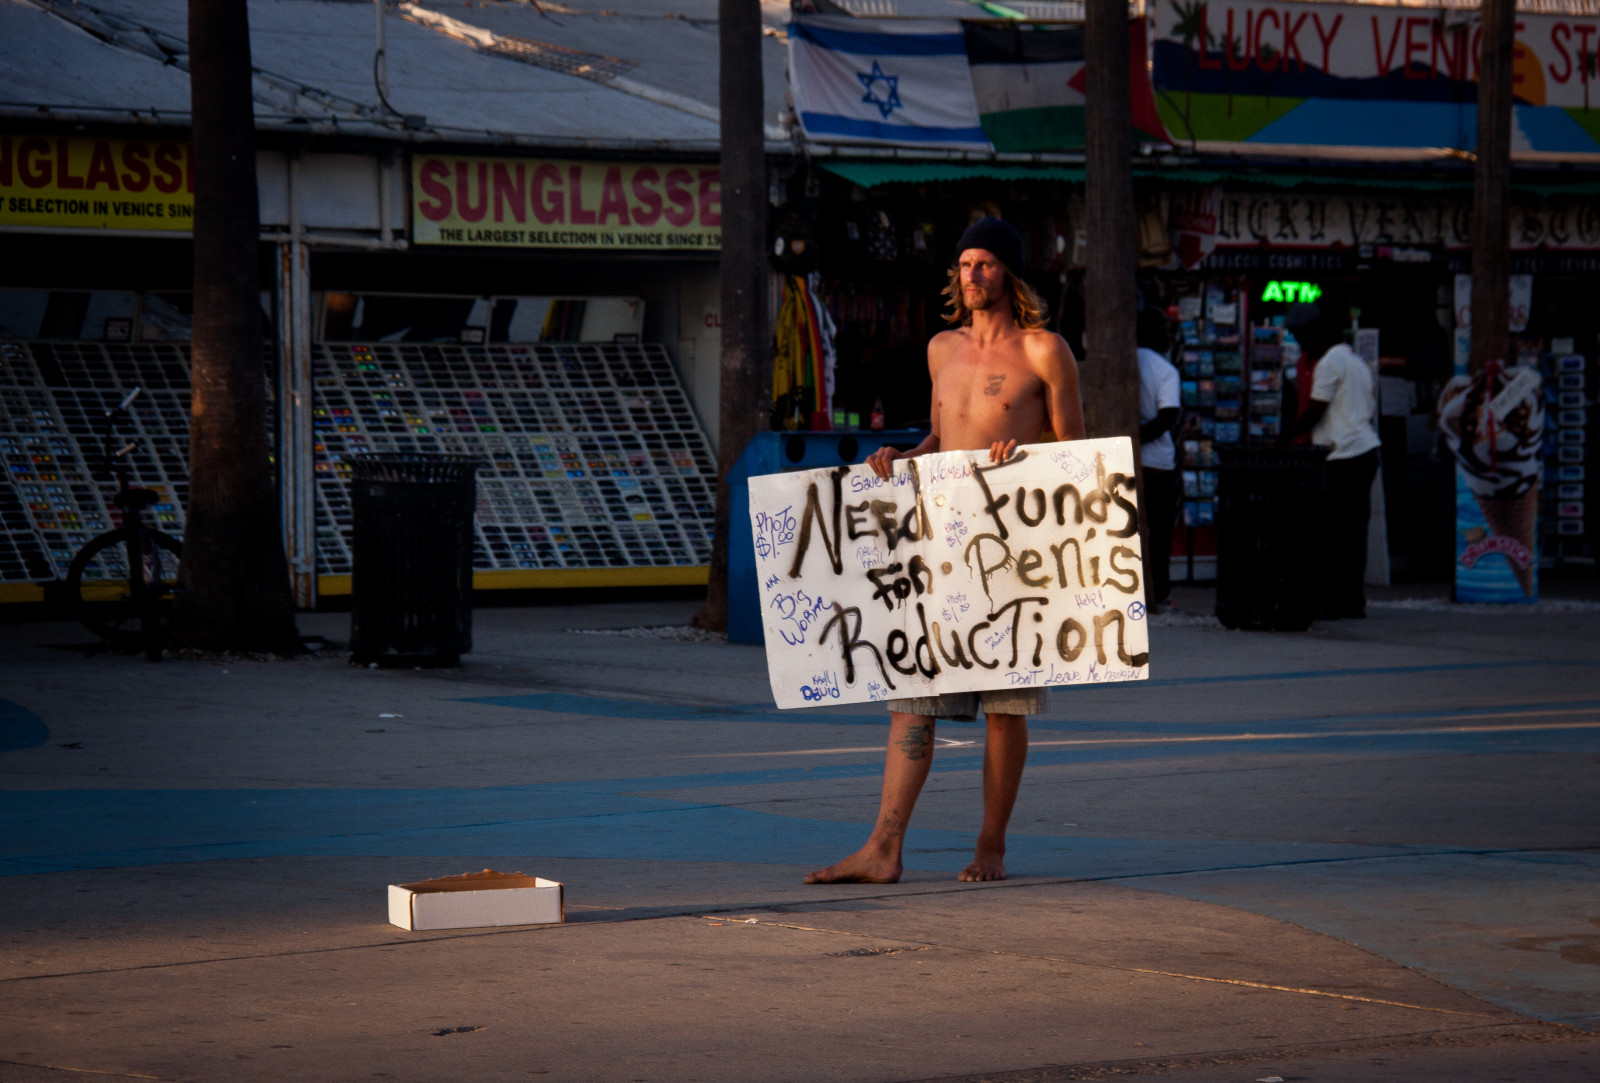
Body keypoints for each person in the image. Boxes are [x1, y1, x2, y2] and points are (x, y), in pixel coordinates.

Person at [803, 217, 1085, 886]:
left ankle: (992, 845)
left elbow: (1077, 453)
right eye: (965, 263)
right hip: (941, 539)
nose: (973, 274)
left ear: (1010, 274)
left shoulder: (1046, 350)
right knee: (913, 695)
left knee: (1004, 705)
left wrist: (1024, 453)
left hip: (1015, 545)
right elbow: (940, 434)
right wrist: (902, 455)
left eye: (986, 263)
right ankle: (883, 848)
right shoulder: (940, 349)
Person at [1283, 302, 1381, 619]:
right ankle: (1353, 600)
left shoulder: (1328, 363)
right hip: (1364, 450)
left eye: (1300, 338)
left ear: (1313, 334)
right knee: (1354, 532)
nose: (1300, 346)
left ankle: (1336, 600)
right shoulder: (1356, 361)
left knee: (1335, 532)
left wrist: (1286, 438)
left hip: (1343, 456)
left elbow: (1314, 411)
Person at [1136, 306, 1181, 611]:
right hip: (1158, 464)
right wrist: (1139, 438)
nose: (1170, 335)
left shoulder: (1123, 361)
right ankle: (1160, 590)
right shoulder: (1165, 370)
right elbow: (1169, 415)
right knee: (1160, 531)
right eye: (1165, 329)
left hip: (1132, 460)